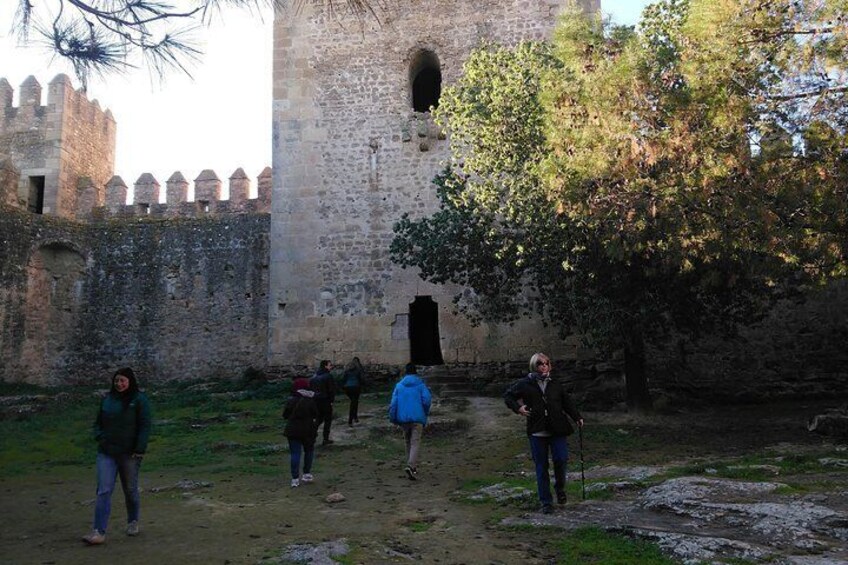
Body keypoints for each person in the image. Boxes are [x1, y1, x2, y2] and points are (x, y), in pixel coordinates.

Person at [503, 353, 584, 514]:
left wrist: (577, 417)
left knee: (561, 460)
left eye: (546, 363)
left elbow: (566, 402)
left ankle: (560, 488)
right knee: (541, 466)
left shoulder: (555, 384)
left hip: (557, 428)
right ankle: (546, 501)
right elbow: (508, 396)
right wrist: (518, 408)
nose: (544, 366)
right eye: (540, 363)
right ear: (534, 365)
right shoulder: (525, 384)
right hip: (537, 430)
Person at [83, 367, 152, 545]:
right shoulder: (107, 400)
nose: (119, 384)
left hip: (130, 453)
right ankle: (98, 531)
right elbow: (98, 423)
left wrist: (140, 448)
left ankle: (133, 521)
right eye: (117, 381)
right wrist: (100, 437)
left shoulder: (139, 400)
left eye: (123, 381)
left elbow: (145, 425)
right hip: (107, 452)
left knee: (130, 489)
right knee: (104, 490)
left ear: (130, 381)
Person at [389, 363, 432, 480]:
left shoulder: (399, 386)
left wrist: (393, 418)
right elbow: (427, 400)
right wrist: (425, 412)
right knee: (415, 442)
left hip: (403, 419)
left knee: (407, 442)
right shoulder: (420, 385)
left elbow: (393, 404)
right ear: (415, 372)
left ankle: (411, 465)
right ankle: (411, 465)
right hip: (417, 418)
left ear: (406, 372)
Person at [283, 378, 319, 487]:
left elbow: (285, 415)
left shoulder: (291, 400)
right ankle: (306, 473)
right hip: (308, 430)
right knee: (309, 451)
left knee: (295, 454)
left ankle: (294, 479)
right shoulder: (310, 399)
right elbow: (316, 414)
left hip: (293, 430)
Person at [310, 359, 337, 445]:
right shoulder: (328, 376)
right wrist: (331, 400)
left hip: (316, 400)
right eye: (329, 365)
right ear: (325, 366)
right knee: (327, 420)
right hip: (325, 400)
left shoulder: (314, 376)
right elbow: (331, 390)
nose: (331, 366)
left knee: (318, 419)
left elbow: (311, 389)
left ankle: (312, 436)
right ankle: (325, 438)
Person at [342, 357, 366, 426]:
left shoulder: (347, 370)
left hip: (347, 388)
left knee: (354, 402)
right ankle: (350, 420)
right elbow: (361, 379)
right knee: (354, 403)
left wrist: (343, 387)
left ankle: (355, 417)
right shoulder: (358, 370)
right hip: (356, 387)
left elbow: (343, 379)